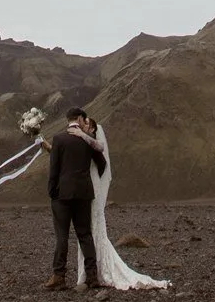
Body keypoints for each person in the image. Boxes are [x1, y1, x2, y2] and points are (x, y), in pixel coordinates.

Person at [67, 116, 170, 291]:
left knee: (92, 229)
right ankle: (90, 272)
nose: (82, 126)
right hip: (86, 190)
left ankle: (95, 272)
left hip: (91, 190)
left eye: (86, 124)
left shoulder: (93, 145)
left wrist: (81, 135)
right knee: (88, 230)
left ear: (92, 129)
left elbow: (99, 157)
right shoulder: (85, 145)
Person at [44, 108, 107, 290]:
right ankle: (92, 276)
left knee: (62, 236)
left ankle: (59, 276)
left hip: (62, 194)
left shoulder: (59, 139)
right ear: (79, 118)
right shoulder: (88, 140)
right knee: (85, 234)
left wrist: (52, 191)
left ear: (68, 119)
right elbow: (101, 163)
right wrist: (90, 181)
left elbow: (54, 168)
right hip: (83, 193)